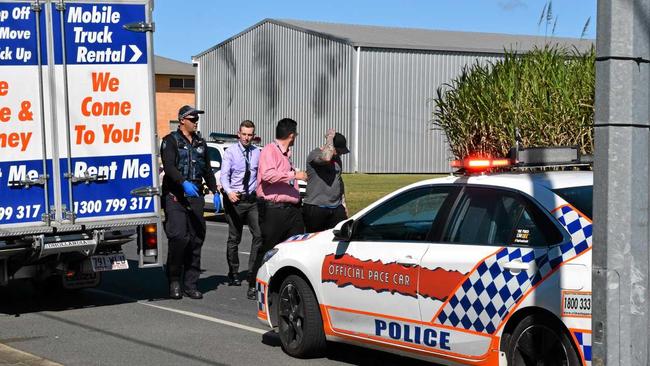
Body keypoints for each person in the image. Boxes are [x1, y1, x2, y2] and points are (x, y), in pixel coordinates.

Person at [160, 105, 219, 300]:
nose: (196, 122)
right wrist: (182, 182)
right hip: (175, 196)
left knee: (195, 240)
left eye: (197, 119)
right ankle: (174, 279)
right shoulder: (170, 141)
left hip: (195, 197)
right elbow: (169, 167)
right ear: (182, 120)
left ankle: (190, 283)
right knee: (179, 238)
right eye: (193, 119)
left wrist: (215, 190)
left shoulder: (201, 143)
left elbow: (207, 170)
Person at [250, 118, 307, 299]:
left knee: (295, 247)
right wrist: (294, 174)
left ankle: (286, 286)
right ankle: (255, 284)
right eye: (295, 135)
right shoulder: (269, 150)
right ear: (291, 135)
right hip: (274, 209)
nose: (295, 138)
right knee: (268, 247)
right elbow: (268, 175)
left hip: (292, 209)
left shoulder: (286, 154)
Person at [220, 120, 262, 295]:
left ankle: (253, 271)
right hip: (235, 200)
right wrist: (229, 192)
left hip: (252, 200)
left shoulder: (257, 153)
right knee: (234, 238)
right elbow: (224, 176)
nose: (246, 138)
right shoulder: (231, 152)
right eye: (244, 134)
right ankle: (234, 272)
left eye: (249, 135)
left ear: (253, 136)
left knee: (259, 235)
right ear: (239, 134)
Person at [302, 129, 350, 232]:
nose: (341, 154)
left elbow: (339, 180)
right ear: (332, 147)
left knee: (339, 238)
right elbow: (327, 158)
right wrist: (329, 138)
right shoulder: (315, 154)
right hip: (316, 208)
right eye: (339, 151)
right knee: (315, 240)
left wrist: (344, 204)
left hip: (336, 207)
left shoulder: (337, 159)